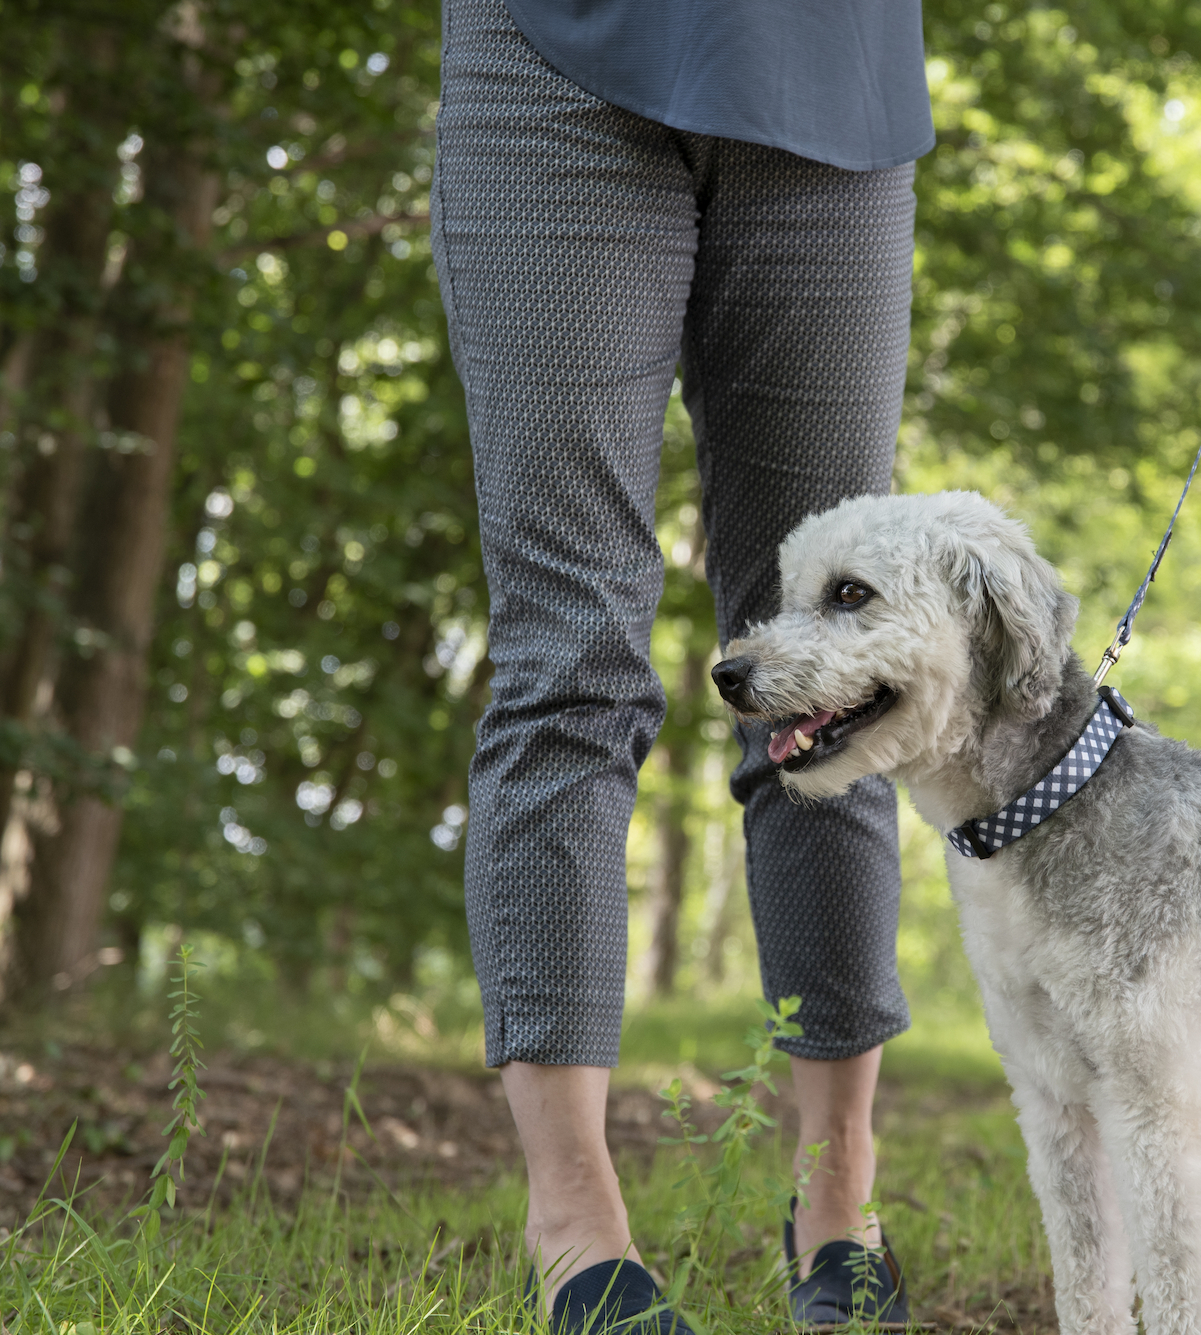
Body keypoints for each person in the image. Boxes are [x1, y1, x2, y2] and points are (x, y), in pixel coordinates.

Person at [428, 0, 934, 1329]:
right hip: (553, 55)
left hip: (840, 74)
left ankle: (840, 1206)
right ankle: (580, 1233)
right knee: (570, 656)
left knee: (830, 672)